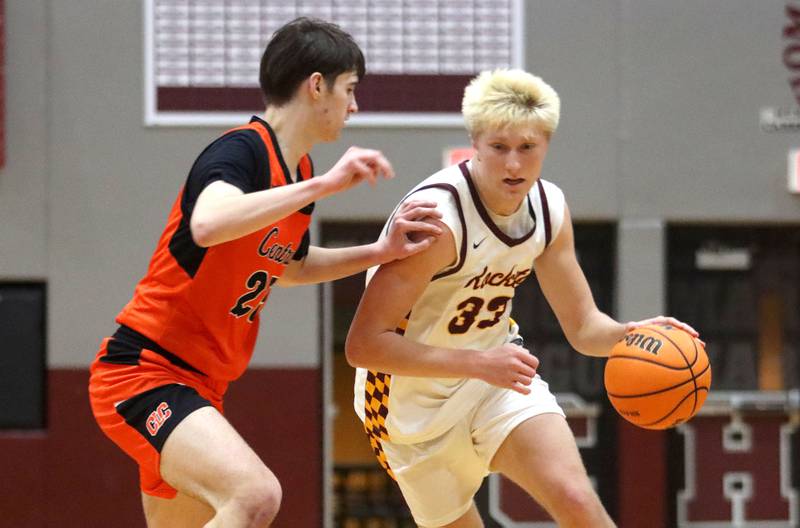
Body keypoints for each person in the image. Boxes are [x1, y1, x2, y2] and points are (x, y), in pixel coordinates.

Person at [88, 17, 442, 528]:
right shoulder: (243, 150)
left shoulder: (296, 173)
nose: (355, 106)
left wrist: (380, 250)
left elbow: (290, 267)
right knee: (255, 496)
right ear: (316, 86)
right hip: (144, 372)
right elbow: (208, 224)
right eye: (350, 90)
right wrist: (324, 186)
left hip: (202, 385)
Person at [345, 69, 699, 528]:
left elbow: (584, 327)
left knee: (576, 498)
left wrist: (631, 335)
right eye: (499, 148)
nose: (514, 164)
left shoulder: (549, 209)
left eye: (527, 148)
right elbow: (363, 347)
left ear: (546, 144)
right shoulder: (439, 219)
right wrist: (476, 362)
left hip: (495, 378)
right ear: (476, 142)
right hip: (407, 404)